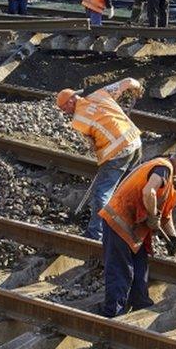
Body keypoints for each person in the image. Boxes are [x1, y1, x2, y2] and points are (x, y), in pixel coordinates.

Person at [98, 144, 176, 317]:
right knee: (120, 268)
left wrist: (173, 239)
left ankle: (139, 301)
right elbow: (148, 192)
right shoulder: (163, 168)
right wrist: (153, 215)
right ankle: (113, 311)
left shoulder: (167, 180)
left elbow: (166, 215)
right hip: (118, 221)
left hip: (132, 228)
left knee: (140, 263)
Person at [56, 78, 144, 240]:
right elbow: (129, 81)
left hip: (118, 152)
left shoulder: (78, 122)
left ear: (70, 102)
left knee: (102, 193)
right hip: (135, 141)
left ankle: (96, 232)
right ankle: (130, 225)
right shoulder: (100, 94)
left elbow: (92, 146)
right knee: (128, 188)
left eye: (64, 109)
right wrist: (137, 88)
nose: (65, 112)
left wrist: (103, 160)